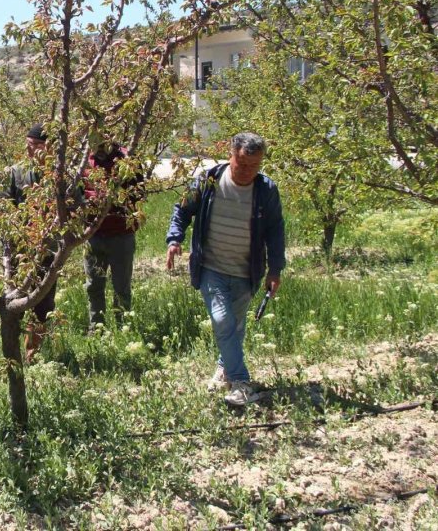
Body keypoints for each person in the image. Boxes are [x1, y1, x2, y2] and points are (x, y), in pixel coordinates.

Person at [165, 132, 285, 406]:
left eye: (254, 166)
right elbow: (182, 210)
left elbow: (276, 231)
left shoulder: (266, 190)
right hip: (211, 266)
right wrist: (175, 239)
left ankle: (223, 369)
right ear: (230, 155)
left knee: (235, 324)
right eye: (242, 164)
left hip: (247, 270)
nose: (247, 171)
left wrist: (275, 269)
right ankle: (242, 382)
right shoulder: (208, 181)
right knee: (222, 320)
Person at [0, 123, 58, 363]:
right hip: (19, 250)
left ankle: (32, 354)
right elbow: (2, 207)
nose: (31, 151)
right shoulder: (15, 172)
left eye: (36, 146)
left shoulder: (59, 174)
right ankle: (12, 356)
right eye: (29, 145)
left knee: (43, 303)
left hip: (49, 250)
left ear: (49, 148)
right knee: (14, 301)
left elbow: (75, 206)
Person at [82, 141, 144, 331]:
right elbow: (75, 193)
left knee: (121, 287)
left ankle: (123, 329)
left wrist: (110, 199)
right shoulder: (83, 159)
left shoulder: (127, 159)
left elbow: (138, 195)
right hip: (93, 234)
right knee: (93, 285)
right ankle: (97, 330)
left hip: (121, 235)